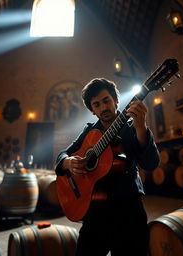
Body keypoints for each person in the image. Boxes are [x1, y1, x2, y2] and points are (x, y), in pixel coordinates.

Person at [55, 78, 160, 256]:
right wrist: (67, 162)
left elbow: (150, 163)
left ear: (116, 101)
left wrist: (141, 126)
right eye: (96, 104)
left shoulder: (132, 126)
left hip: (128, 208)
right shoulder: (89, 131)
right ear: (93, 110)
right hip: (94, 212)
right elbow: (63, 154)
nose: (103, 107)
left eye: (106, 101)